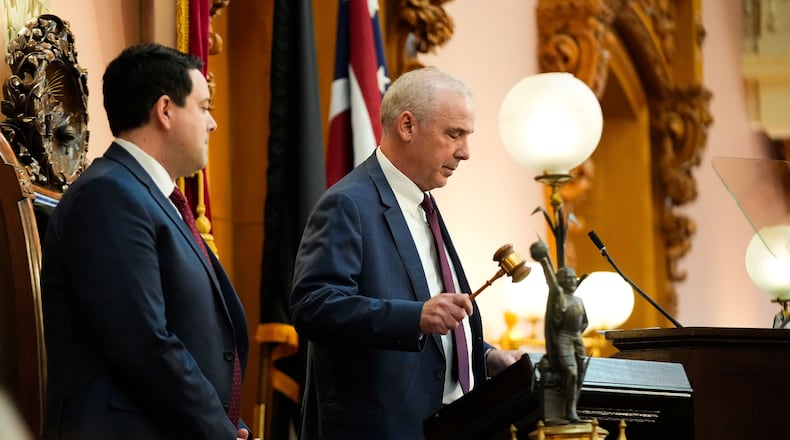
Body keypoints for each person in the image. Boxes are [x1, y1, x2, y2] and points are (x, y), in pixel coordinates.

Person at [290, 67, 526, 439]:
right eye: (454, 134)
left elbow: (437, 330)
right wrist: (414, 317)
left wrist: (484, 356)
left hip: (449, 424)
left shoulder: (424, 203)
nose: (465, 151)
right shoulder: (347, 204)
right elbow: (313, 306)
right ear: (407, 126)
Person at [40, 43, 254, 440]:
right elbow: (144, 343)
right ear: (166, 110)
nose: (213, 125)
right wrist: (219, 431)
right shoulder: (108, 196)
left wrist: (230, 427)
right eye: (204, 107)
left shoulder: (153, 198)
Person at [530, 240, 589, 424]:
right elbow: (551, 280)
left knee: (579, 375)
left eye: (574, 277)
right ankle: (569, 412)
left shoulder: (578, 300)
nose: (572, 280)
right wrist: (544, 259)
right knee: (570, 373)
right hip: (563, 339)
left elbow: (585, 322)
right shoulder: (559, 296)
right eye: (568, 278)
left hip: (577, 339)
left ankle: (570, 409)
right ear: (562, 281)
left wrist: (578, 335)